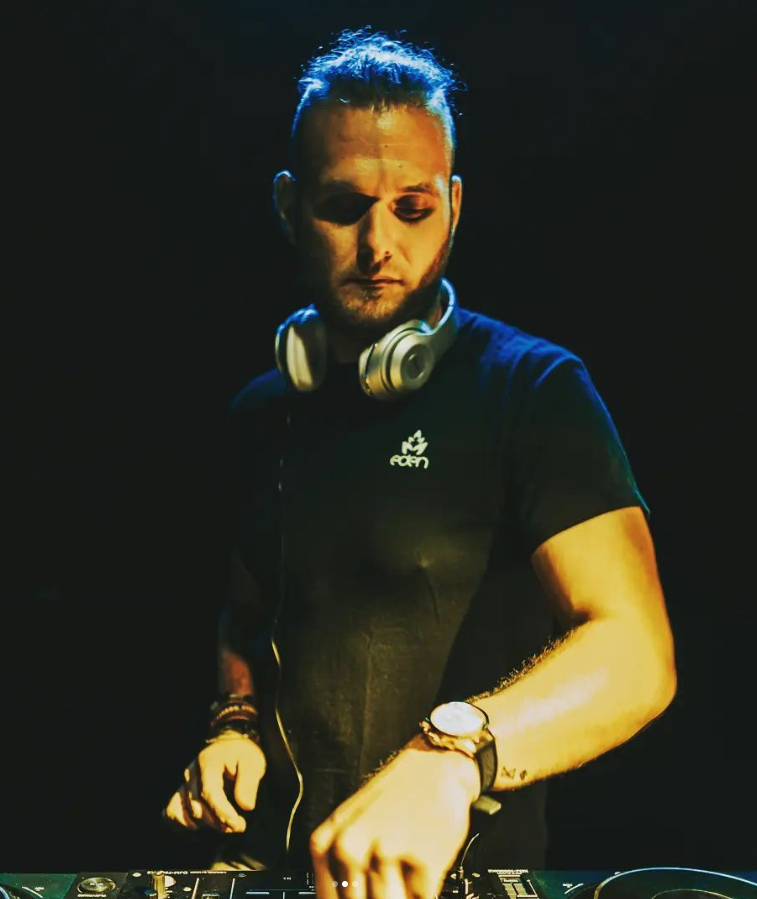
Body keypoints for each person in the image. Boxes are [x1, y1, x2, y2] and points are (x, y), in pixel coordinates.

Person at [163, 27, 677, 894]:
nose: (378, 246)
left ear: (454, 205)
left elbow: (635, 652)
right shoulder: (260, 413)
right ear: (288, 205)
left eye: (412, 208)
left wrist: (453, 753)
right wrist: (234, 722)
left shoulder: (532, 390)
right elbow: (245, 612)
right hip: (268, 873)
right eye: (342, 207)